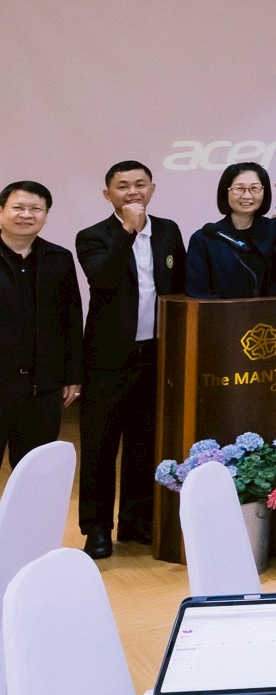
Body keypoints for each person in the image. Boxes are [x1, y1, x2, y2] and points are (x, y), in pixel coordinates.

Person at [75, 161, 183, 554]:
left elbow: (179, 286)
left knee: (145, 443)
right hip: (107, 359)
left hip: (155, 354)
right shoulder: (92, 236)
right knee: (100, 446)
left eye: (140, 184)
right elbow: (102, 278)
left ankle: (137, 523)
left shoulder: (168, 231)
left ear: (152, 189)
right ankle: (97, 528)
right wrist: (127, 230)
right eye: (123, 186)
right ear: (108, 195)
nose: (133, 192)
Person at [0, 182, 82, 473]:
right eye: (18, 207)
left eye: (36, 209)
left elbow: (72, 318)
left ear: (46, 215)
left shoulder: (58, 258)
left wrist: (73, 374)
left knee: (33, 472)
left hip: (41, 387)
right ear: (1, 211)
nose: (26, 215)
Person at [186, 163, 276, 298]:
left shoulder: (275, 230)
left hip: (273, 311)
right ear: (226, 192)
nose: (247, 195)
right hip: (222, 311)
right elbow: (197, 292)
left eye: (254, 188)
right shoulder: (205, 238)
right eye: (239, 189)